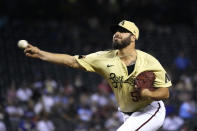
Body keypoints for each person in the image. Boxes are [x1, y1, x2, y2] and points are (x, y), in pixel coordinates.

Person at [24, 20, 172, 131]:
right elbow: (71, 61)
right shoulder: (104, 58)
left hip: (150, 110)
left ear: (133, 37)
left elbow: (165, 93)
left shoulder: (149, 62)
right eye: (116, 31)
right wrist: (40, 53)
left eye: (123, 31)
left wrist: (147, 92)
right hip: (127, 113)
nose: (117, 34)